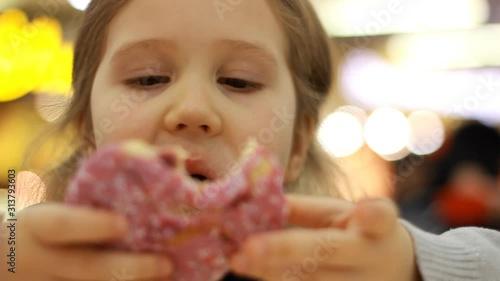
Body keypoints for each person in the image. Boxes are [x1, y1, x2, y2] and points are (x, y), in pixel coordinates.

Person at [1, 1, 499, 280]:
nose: (192, 110)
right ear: (88, 128)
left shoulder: (331, 270)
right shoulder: (29, 256)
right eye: (148, 79)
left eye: (238, 81)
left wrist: (415, 265)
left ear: (301, 139)